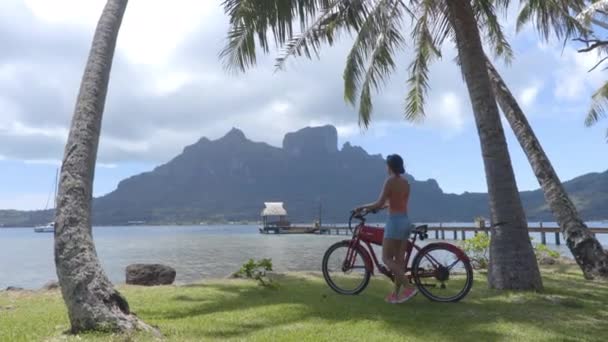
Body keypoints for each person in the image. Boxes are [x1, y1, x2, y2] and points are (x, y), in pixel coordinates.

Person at [354, 154, 416, 304]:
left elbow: (379, 202)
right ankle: (395, 295)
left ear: (390, 166)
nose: (386, 168)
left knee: (386, 259)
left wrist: (362, 207)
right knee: (399, 264)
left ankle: (409, 287)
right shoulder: (406, 183)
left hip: (394, 223)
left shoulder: (390, 181)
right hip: (405, 221)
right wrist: (379, 208)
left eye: (386, 165)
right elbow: (393, 203)